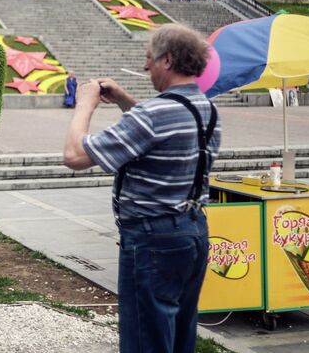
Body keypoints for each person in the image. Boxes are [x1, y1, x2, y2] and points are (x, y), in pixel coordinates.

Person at [63, 24, 221, 353]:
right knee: (178, 335)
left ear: (166, 61)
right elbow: (156, 124)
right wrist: (122, 98)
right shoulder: (206, 110)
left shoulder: (153, 115)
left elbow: (75, 156)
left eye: (148, 58)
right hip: (193, 231)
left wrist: (85, 105)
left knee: (145, 339)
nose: (145, 67)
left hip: (153, 240)